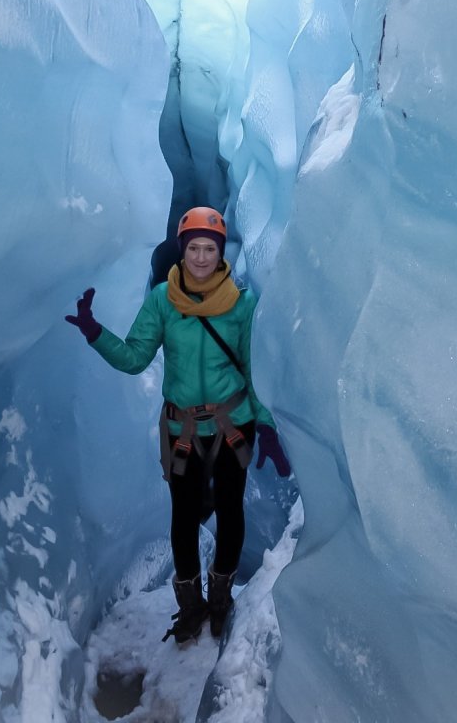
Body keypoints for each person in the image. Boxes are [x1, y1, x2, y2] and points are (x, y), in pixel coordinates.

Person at [66, 206, 290, 644]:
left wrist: (265, 427)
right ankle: (191, 608)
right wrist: (95, 332)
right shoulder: (161, 301)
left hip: (232, 425)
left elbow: (252, 369)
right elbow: (135, 358)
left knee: (229, 513)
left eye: (210, 248)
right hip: (182, 430)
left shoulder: (243, 305)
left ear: (220, 251)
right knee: (184, 520)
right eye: (194, 248)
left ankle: (220, 599)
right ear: (182, 251)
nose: (202, 257)